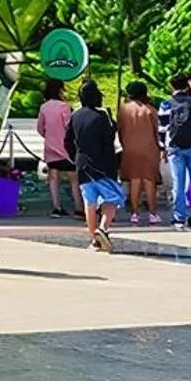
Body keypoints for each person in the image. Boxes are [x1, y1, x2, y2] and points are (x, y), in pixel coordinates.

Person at [70, 80, 125, 252]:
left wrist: (75, 157)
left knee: (90, 202)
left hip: (82, 164)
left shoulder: (75, 116)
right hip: (103, 165)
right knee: (113, 197)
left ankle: (93, 239)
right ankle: (103, 228)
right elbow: (108, 141)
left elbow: (67, 141)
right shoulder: (102, 117)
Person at [161, 75, 191, 229]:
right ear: (186, 86)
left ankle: (179, 218)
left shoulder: (166, 104)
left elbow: (162, 128)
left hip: (174, 147)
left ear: (172, 87)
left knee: (178, 183)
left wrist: (163, 147)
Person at [117, 80, 162, 226]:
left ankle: (135, 214)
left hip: (130, 148)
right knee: (150, 181)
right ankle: (152, 214)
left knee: (134, 181)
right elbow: (157, 131)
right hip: (149, 149)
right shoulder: (150, 110)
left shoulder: (123, 109)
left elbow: (120, 129)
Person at [36, 78, 75, 217]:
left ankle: (56, 207)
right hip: (66, 149)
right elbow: (70, 127)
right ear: (60, 90)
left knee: (53, 177)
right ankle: (79, 207)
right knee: (73, 178)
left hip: (50, 148)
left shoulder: (44, 107)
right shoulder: (64, 107)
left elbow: (40, 128)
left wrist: (49, 136)